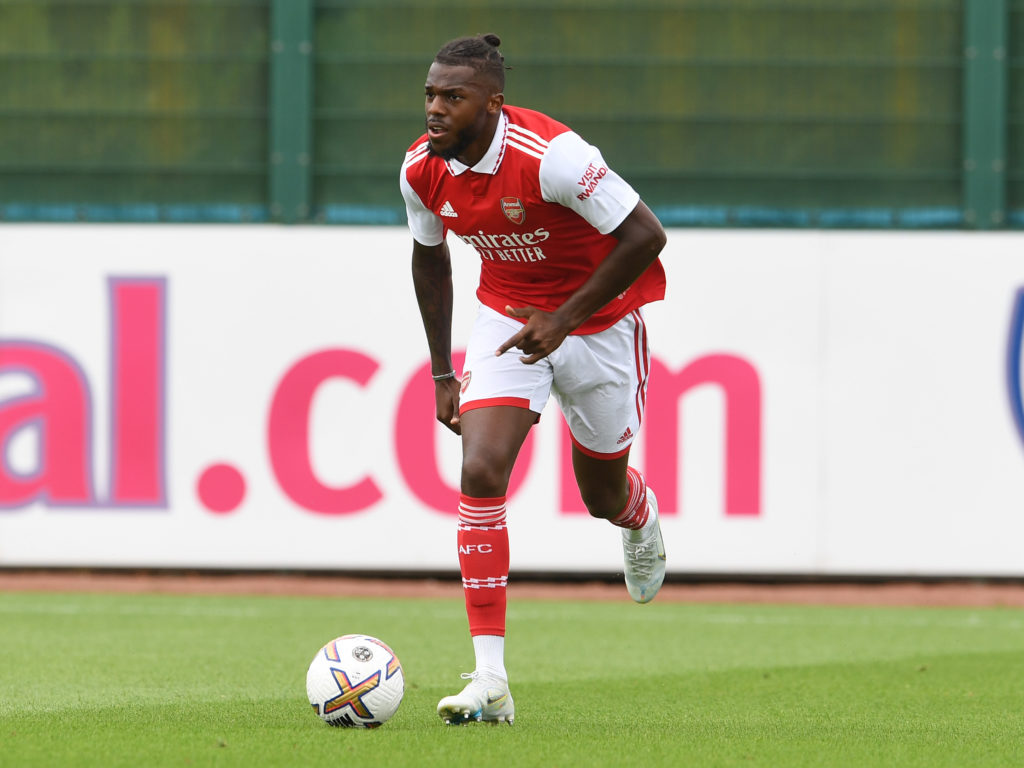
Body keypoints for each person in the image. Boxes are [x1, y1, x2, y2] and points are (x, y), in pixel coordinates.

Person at [400, 33, 668, 726]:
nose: (435, 109)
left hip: (601, 323)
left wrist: (566, 317)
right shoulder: (421, 169)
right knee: (482, 469)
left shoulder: (553, 157)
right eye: (430, 94)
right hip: (504, 319)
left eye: (452, 98)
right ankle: (490, 678)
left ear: (493, 102)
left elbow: (646, 235)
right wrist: (440, 371)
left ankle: (638, 515)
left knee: (600, 495)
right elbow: (430, 261)